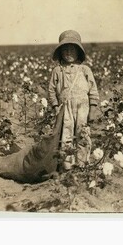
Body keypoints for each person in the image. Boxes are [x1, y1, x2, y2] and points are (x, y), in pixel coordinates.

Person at [48, 30, 99, 166]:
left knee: (82, 134)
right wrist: (55, 106)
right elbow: (51, 90)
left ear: (78, 52)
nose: (68, 53)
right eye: (65, 50)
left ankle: (82, 163)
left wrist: (93, 110)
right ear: (60, 53)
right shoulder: (57, 71)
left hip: (83, 108)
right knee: (66, 135)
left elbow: (93, 91)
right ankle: (67, 166)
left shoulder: (85, 70)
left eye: (72, 50)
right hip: (65, 109)